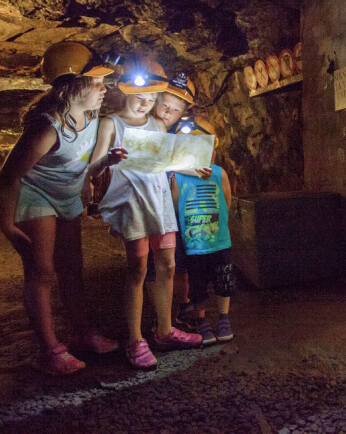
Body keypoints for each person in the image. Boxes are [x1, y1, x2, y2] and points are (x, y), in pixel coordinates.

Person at [0, 41, 121, 375]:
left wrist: (98, 170)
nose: (103, 87)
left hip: (67, 198)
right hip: (35, 196)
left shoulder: (93, 116)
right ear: (71, 85)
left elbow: (87, 164)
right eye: (96, 81)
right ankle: (50, 350)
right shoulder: (47, 126)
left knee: (72, 268)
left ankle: (81, 333)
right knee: (41, 271)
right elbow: (10, 176)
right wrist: (7, 224)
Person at [89, 57, 202, 370]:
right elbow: (92, 166)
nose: (146, 104)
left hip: (160, 202)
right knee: (137, 270)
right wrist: (109, 159)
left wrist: (195, 167)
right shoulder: (112, 123)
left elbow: (165, 161)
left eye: (152, 99)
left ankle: (164, 330)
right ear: (126, 92)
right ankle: (135, 339)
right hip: (133, 205)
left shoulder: (158, 124)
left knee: (167, 264)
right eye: (141, 97)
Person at [171, 117, 236, 345]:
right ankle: (200, 321)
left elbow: (226, 203)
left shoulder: (219, 173)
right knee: (197, 284)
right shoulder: (177, 178)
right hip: (194, 245)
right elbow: (176, 208)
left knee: (223, 280)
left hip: (219, 241)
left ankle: (223, 318)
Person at [148, 74, 206, 330]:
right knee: (153, 263)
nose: (168, 112)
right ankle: (162, 316)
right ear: (155, 101)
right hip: (151, 205)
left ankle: (181, 306)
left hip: (176, 208)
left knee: (179, 259)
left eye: (176, 108)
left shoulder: (185, 132)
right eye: (164, 105)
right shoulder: (143, 126)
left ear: (184, 110)